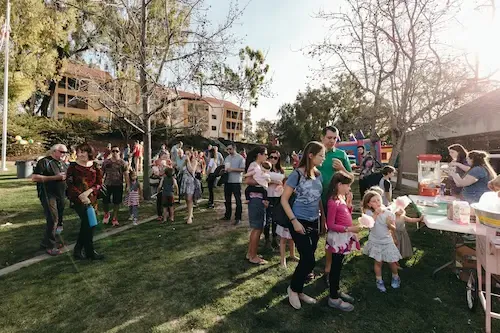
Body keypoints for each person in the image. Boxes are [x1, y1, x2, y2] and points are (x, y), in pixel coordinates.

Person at [281, 141, 325, 310]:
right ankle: (292, 289)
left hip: (314, 220)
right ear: (310, 155)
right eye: (321, 155)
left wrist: (323, 218)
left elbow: (318, 197)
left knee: (310, 259)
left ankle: (299, 290)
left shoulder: (318, 174)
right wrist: (294, 221)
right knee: (308, 258)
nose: (323, 158)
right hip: (298, 220)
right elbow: (284, 199)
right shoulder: (296, 175)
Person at [317, 126, 353, 285]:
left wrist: (342, 168)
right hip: (318, 199)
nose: (332, 141)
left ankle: (329, 267)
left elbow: (350, 177)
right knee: (322, 232)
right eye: (329, 137)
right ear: (323, 138)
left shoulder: (341, 155)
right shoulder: (318, 154)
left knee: (334, 232)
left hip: (338, 201)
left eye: (334, 138)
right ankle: (313, 266)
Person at [325, 171, 361, 311]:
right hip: (338, 239)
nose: (349, 189)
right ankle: (333, 298)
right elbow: (331, 224)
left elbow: (345, 215)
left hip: (343, 237)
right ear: (339, 185)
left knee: (339, 266)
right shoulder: (332, 202)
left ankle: (336, 289)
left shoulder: (341, 198)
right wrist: (349, 228)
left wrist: (349, 204)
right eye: (347, 186)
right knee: (335, 268)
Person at [66, 143, 104, 260]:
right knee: (89, 223)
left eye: (83, 151)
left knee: (89, 224)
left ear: (89, 153)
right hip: (78, 199)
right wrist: (80, 195)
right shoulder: (73, 167)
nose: (80, 154)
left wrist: (88, 192)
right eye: (79, 152)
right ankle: (90, 252)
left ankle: (78, 250)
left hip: (91, 198)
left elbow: (99, 183)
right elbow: (70, 183)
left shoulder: (95, 166)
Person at [32, 144, 69, 256]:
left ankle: (48, 241)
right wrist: (55, 178)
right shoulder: (44, 162)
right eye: (62, 152)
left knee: (59, 220)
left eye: (66, 152)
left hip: (61, 195)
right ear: (54, 151)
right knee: (53, 219)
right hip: (48, 195)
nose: (64, 154)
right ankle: (50, 246)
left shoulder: (63, 164)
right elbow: (35, 178)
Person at [362, 190, 402, 292]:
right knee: (378, 262)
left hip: (387, 241)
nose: (377, 202)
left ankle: (396, 277)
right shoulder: (368, 213)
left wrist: (389, 224)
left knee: (391, 262)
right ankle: (379, 280)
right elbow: (369, 225)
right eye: (374, 201)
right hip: (375, 241)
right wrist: (375, 213)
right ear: (369, 204)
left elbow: (393, 228)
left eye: (378, 200)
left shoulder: (388, 213)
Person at [244, 146, 269, 265]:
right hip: (256, 199)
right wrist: (263, 183)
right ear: (259, 155)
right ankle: (253, 256)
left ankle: (251, 253)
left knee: (257, 228)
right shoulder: (254, 165)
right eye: (265, 154)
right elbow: (248, 181)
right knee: (258, 228)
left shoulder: (258, 166)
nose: (267, 156)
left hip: (257, 199)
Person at [102, 146, 129, 227]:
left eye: (116, 151)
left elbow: (126, 174)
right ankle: (106, 214)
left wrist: (128, 185)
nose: (115, 153)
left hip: (118, 185)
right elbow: (101, 173)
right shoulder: (106, 162)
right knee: (105, 201)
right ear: (111, 152)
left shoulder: (123, 163)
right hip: (107, 184)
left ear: (119, 152)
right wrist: (99, 182)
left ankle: (115, 218)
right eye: (113, 151)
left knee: (116, 202)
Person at [264, 150, 286, 250]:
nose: (273, 159)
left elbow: (285, 182)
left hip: (278, 196)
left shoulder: (281, 170)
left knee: (276, 219)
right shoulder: (265, 169)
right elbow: (261, 181)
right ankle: (267, 240)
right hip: (268, 195)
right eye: (271, 157)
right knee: (267, 219)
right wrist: (273, 182)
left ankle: (274, 239)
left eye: (275, 158)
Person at [221, 143, 245, 225]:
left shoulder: (240, 158)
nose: (228, 150)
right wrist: (224, 170)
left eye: (230, 149)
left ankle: (238, 217)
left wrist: (232, 169)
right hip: (228, 181)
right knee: (227, 200)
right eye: (228, 149)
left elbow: (242, 169)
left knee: (237, 200)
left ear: (234, 149)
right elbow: (225, 167)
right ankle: (227, 215)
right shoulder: (227, 157)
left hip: (236, 181)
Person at [180, 149, 201, 224]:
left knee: (189, 199)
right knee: (186, 198)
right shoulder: (185, 162)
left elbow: (192, 171)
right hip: (184, 182)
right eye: (186, 154)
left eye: (188, 154)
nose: (186, 155)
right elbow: (180, 170)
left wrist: (188, 161)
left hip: (190, 182)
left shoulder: (194, 162)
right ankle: (190, 214)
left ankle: (189, 218)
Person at [150, 156, 166, 221]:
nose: (162, 166)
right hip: (159, 187)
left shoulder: (166, 170)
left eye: (163, 165)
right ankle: (160, 215)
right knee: (159, 201)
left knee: (163, 202)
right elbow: (151, 175)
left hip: (164, 188)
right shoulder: (154, 168)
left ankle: (165, 214)